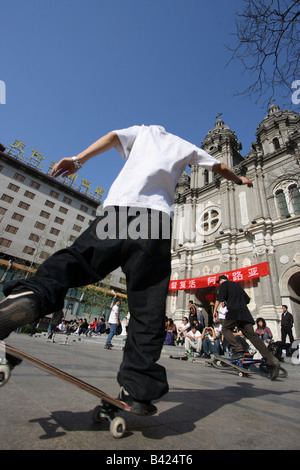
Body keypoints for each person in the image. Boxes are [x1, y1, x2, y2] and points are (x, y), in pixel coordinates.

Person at [0, 124, 253, 414]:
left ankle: (30, 297)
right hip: (156, 223)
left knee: (76, 261)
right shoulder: (185, 146)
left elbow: (111, 138)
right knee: (147, 305)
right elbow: (220, 165)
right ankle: (138, 388)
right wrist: (239, 179)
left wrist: (78, 160)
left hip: (119, 211)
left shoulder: (143, 131)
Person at [213, 275, 280, 380]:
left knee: (226, 329)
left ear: (221, 281)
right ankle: (272, 360)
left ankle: (238, 349)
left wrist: (215, 310)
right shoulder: (237, 286)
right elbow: (247, 300)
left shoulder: (224, 284)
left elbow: (219, 298)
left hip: (233, 313)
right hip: (244, 313)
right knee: (253, 336)